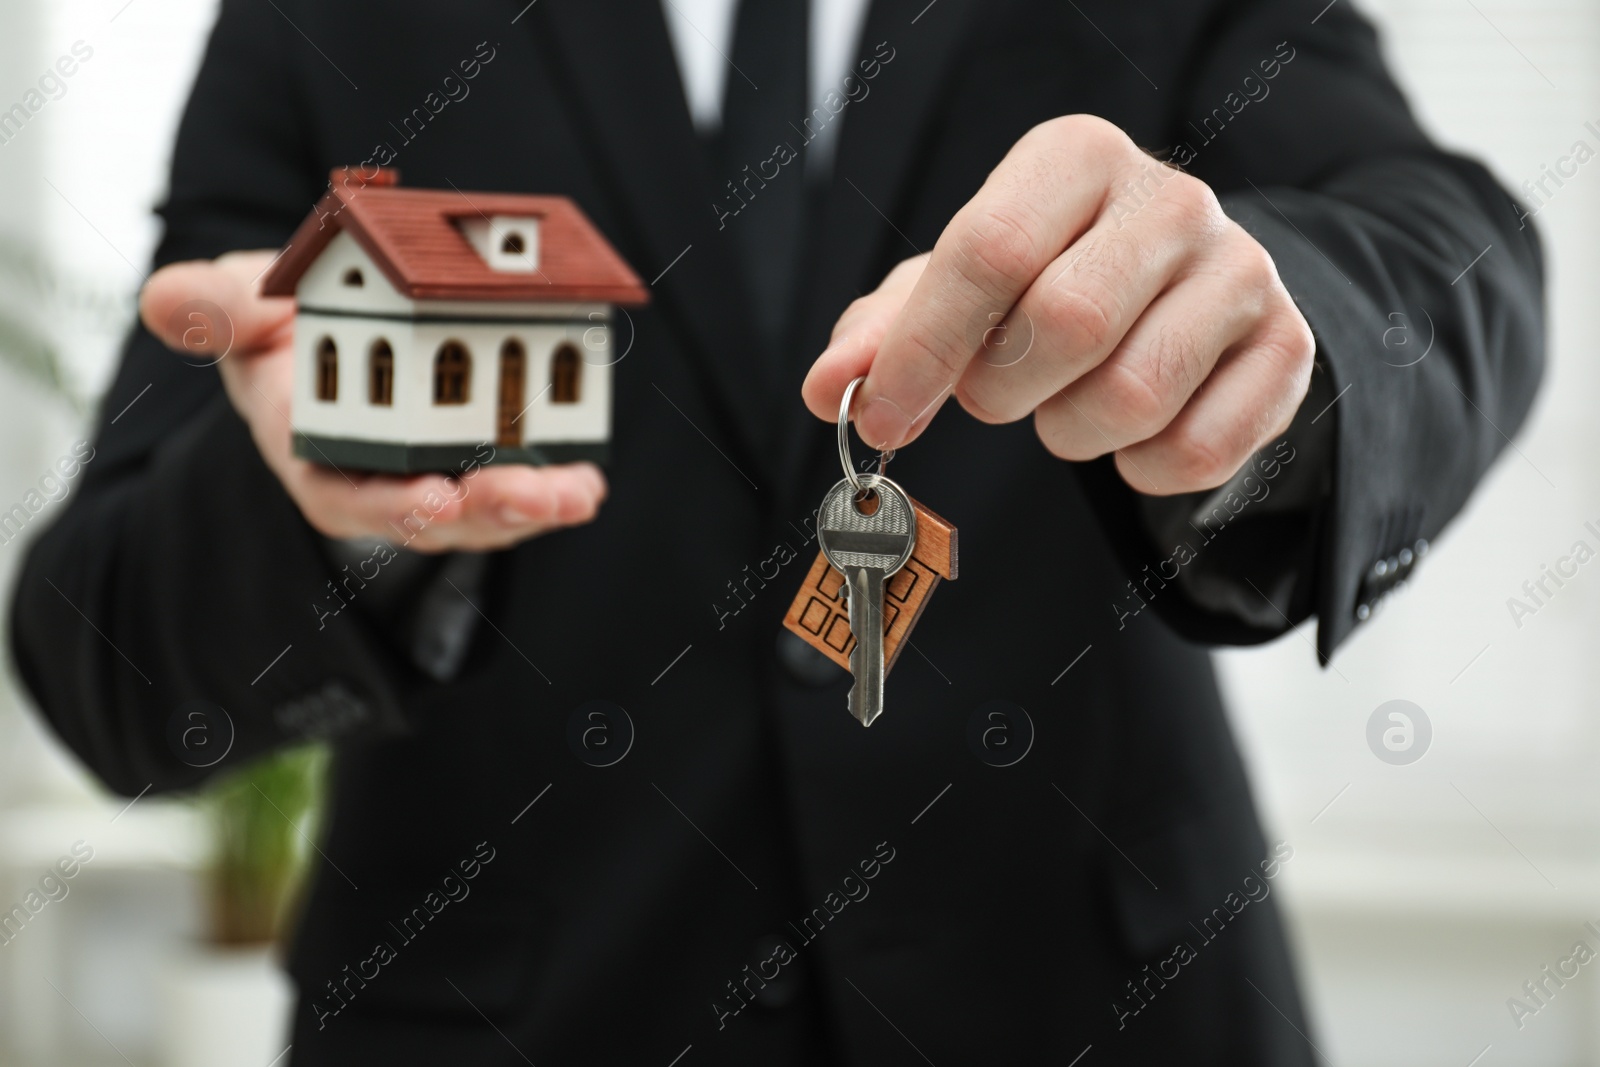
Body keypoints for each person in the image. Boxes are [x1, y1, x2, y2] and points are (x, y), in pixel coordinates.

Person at [10, 0, 1542, 1063]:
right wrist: (303, 509)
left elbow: (1447, 240)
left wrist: (1280, 325)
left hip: (1094, 1005)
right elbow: (105, 660)